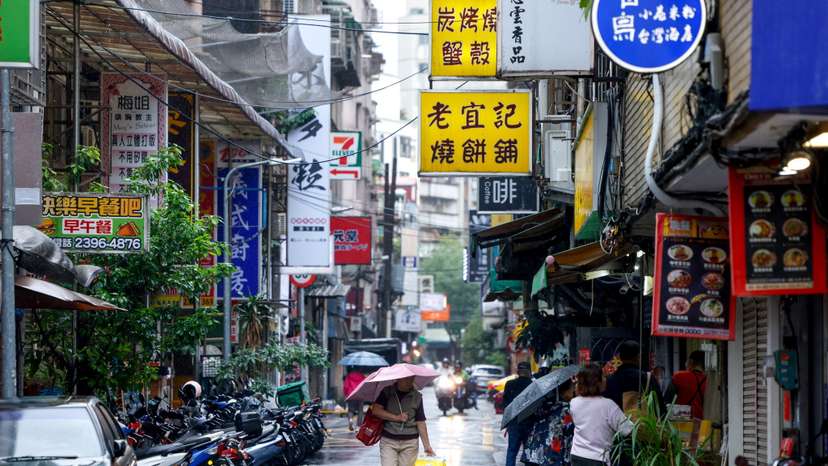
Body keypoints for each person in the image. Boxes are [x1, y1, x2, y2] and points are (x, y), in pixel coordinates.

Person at [570, 365, 634, 466]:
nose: (605, 379)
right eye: (603, 377)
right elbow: (627, 429)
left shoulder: (574, 403)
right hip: (598, 458)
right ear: (597, 382)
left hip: (577, 456)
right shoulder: (608, 405)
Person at [370, 376, 435, 466]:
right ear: (398, 379)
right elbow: (376, 411)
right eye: (407, 379)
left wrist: (427, 446)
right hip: (389, 441)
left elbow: (420, 422)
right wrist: (396, 417)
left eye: (412, 378)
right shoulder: (387, 392)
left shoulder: (417, 397)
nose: (410, 381)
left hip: (410, 443)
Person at [521, 379, 576, 466]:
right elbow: (569, 434)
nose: (573, 391)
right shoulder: (565, 410)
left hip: (532, 453)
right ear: (564, 391)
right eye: (572, 388)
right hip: (552, 456)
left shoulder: (540, 406)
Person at [603, 341, 665, 415]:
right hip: (644, 425)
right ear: (638, 357)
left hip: (617, 425)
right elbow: (660, 408)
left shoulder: (610, 380)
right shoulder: (648, 378)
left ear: (619, 357)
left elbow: (605, 408)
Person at [504, 361, 535, 466]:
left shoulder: (509, 384)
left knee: (512, 452)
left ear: (518, 371)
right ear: (529, 372)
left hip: (514, 422)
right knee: (529, 452)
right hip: (530, 422)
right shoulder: (534, 386)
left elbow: (505, 405)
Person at [669, 350, 708, 419]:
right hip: (699, 422)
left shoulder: (679, 376)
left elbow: (668, 400)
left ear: (690, 361)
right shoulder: (707, 381)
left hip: (680, 420)